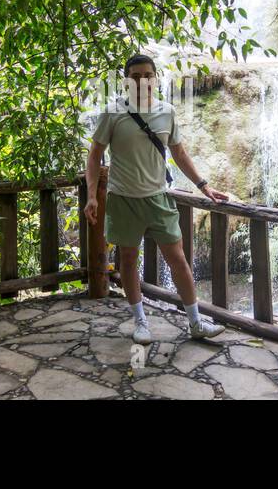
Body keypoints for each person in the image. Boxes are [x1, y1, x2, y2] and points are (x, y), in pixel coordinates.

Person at [83, 54, 230, 344]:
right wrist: (92, 197)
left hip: (159, 197)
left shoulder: (167, 112)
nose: (142, 81)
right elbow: (95, 154)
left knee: (177, 259)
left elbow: (179, 153)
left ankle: (196, 321)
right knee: (127, 258)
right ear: (126, 81)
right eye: (135, 76)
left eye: (147, 75)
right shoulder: (113, 112)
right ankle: (140, 322)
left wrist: (204, 186)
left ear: (155, 79)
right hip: (123, 198)